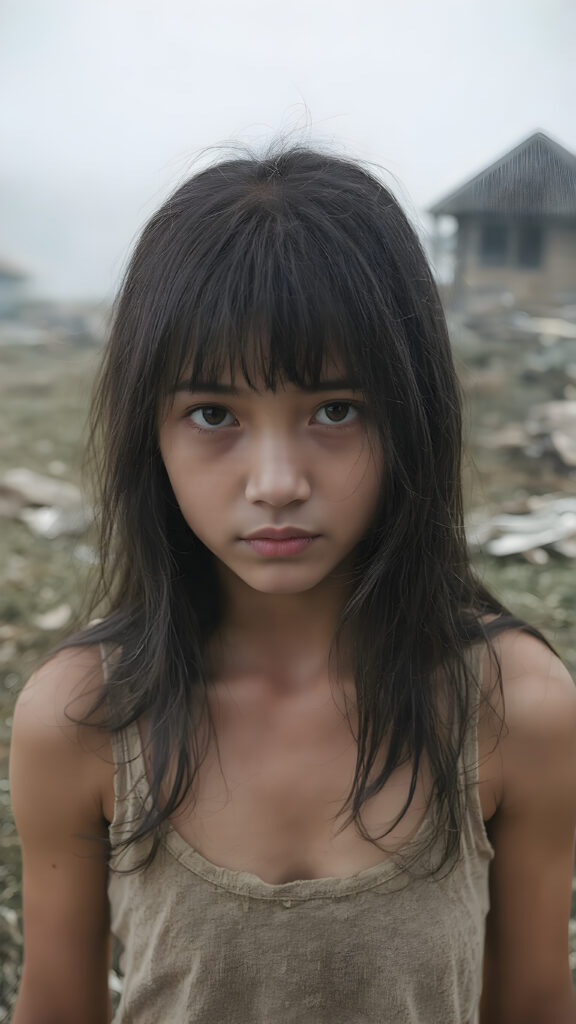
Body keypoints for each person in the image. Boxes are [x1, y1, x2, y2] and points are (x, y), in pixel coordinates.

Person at [9, 145, 576, 1024]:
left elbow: (536, 1002)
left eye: (335, 410)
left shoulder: (512, 706)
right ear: (148, 433)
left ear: (413, 417)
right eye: (213, 414)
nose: (276, 482)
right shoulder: (82, 717)